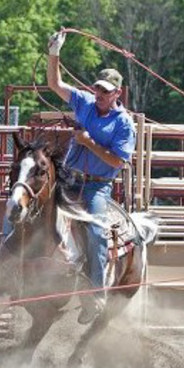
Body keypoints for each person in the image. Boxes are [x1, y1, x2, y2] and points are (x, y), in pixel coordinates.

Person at [45, 29, 137, 324]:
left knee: (96, 233)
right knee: (32, 209)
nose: (99, 94)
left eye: (106, 91)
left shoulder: (124, 125)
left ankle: (96, 294)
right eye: (98, 89)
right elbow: (54, 83)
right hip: (69, 178)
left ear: (117, 94)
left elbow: (117, 161)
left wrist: (87, 142)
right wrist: (54, 53)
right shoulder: (83, 101)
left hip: (97, 187)